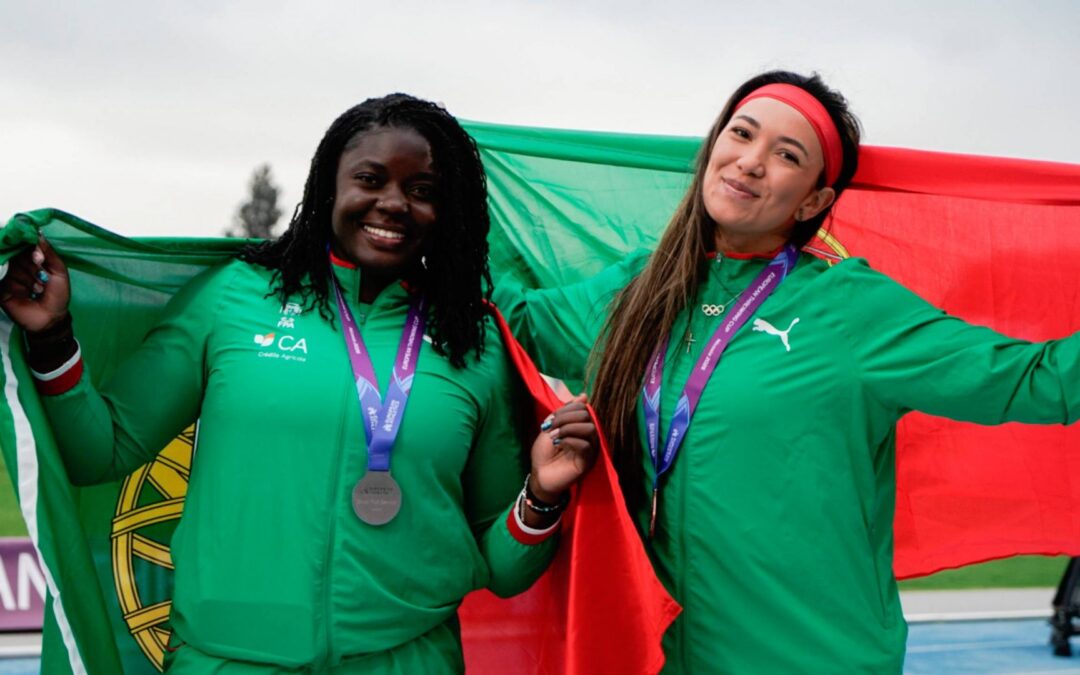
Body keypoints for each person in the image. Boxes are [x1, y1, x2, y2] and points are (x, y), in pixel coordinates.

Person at [493, 70, 1080, 673]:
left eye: (786, 155)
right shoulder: (636, 294)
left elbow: (1039, 380)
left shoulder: (851, 307)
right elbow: (500, 319)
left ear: (813, 201)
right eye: (741, 134)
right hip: (657, 658)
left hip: (812, 657)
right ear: (712, 148)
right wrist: (447, 181)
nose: (750, 162)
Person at [0, 94, 596, 673]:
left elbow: (503, 566)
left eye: (423, 192)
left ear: (450, 211)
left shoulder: (475, 342)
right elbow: (98, 451)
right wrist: (53, 338)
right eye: (370, 179)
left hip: (408, 660)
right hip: (226, 661)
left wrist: (541, 493)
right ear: (328, 187)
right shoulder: (233, 299)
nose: (393, 204)